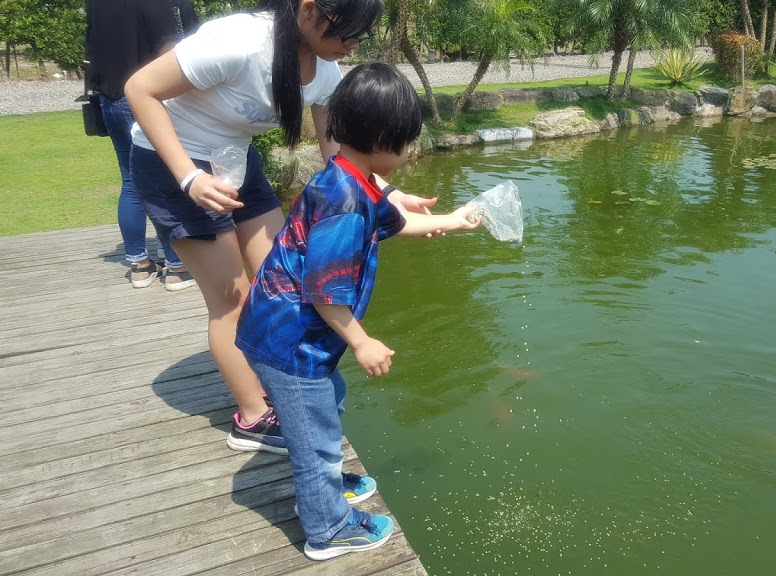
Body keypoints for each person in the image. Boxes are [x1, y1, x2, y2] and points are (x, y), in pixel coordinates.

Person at [125, 0, 439, 452]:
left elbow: (344, 160)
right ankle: (252, 417)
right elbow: (139, 88)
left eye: (359, 36)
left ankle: (276, 381)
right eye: (345, 32)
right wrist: (189, 177)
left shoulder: (325, 69)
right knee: (230, 299)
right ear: (309, 9)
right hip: (172, 163)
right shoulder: (240, 42)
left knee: (280, 276)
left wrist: (386, 193)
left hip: (234, 159)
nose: (351, 44)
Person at [235, 62, 481, 560]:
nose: (411, 152)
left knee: (328, 403)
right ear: (384, 137)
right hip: (289, 340)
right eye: (408, 142)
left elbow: (396, 220)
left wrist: (454, 221)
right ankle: (327, 528)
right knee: (316, 443)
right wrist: (362, 341)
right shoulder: (345, 201)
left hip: (292, 332)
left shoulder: (353, 177)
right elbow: (327, 292)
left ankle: (328, 483)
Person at [84, 0, 199, 290]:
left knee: (131, 181)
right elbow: (176, 49)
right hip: (153, 99)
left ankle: (139, 265)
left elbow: (92, 49)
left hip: (112, 99)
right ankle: (176, 266)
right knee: (169, 183)